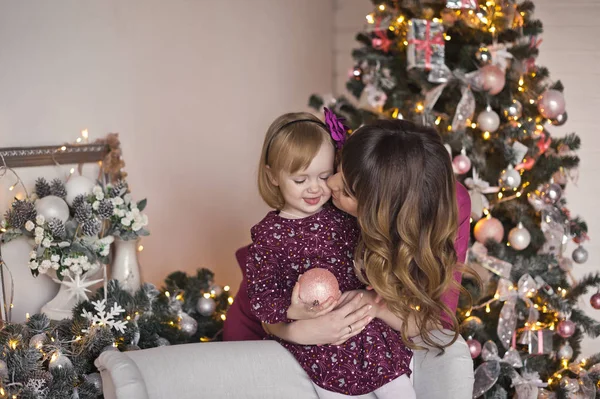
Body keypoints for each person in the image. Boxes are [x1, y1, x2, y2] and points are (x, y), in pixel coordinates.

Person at [245, 112, 416, 398]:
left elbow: (377, 256)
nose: (315, 188)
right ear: (272, 176)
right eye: (300, 180)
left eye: (324, 177)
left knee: (399, 388)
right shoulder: (267, 235)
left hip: (366, 329)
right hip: (317, 340)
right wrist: (293, 312)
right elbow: (261, 297)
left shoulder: (343, 216)